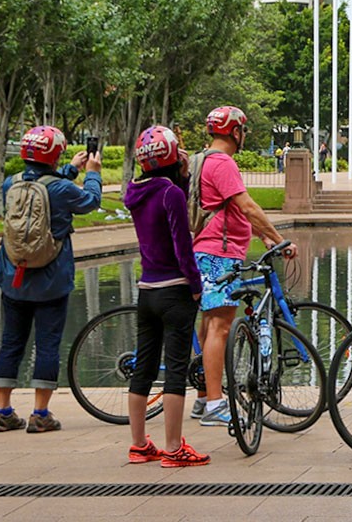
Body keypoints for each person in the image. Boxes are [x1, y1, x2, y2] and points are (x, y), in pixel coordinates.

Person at [0, 125, 102, 434]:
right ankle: (40, 414)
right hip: (51, 280)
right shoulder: (62, 190)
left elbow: (40, 184)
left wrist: (70, 170)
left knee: (11, 342)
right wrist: (92, 173)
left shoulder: (11, 183)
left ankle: (2, 412)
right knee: (47, 345)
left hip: (13, 275)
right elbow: (90, 201)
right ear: (54, 155)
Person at [191, 106, 294, 426]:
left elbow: (230, 209)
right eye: (243, 130)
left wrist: (263, 236)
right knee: (220, 326)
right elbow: (247, 206)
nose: (244, 135)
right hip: (219, 253)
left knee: (210, 324)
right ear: (235, 132)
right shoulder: (222, 162)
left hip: (209, 249)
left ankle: (203, 398)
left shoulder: (202, 158)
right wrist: (280, 239)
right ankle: (215, 405)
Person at [122, 126, 209, 467]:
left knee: (143, 368)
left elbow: (166, 213)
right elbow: (181, 243)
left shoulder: (135, 192)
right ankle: (174, 448)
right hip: (175, 290)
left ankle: (139, 444)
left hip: (147, 290)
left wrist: (180, 180)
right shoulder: (170, 192)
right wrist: (195, 284)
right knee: (175, 370)